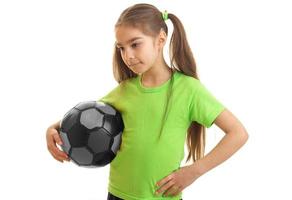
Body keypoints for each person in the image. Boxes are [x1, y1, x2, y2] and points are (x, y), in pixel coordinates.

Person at [46, 3, 249, 200]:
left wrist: (194, 171)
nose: (128, 55)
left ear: (160, 40)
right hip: (118, 195)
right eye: (122, 48)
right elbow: (89, 118)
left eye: (135, 44)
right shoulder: (124, 91)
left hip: (162, 197)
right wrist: (53, 129)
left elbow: (238, 133)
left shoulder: (188, 90)